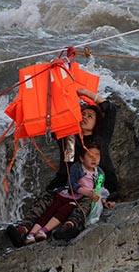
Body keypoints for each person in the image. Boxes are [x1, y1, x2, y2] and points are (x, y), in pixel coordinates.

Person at [6, 88, 119, 247]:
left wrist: (85, 93)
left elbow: (111, 110)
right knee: (46, 200)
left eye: (90, 116)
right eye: (82, 114)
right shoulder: (68, 137)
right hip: (66, 185)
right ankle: (23, 229)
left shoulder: (100, 139)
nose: (85, 117)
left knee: (86, 201)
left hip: (94, 186)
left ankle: (70, 227)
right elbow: (52, 117)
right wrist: (59, 90)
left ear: (96, 124)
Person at [22, 142, 115, 246]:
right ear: (82, 158)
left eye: (97, 155)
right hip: (67, 194)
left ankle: (50, 230)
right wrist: (89, 193)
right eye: (90, 156)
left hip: (80, 199)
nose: (94, 159)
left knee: (66, 210)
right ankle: (31, 234)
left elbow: (99, 190)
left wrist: (104, 202)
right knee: (51, 209)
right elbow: (72, 185)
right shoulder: (76, 168)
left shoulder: (100, 173)